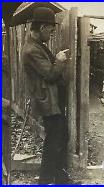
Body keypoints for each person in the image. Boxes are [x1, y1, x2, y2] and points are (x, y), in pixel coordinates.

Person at [22, 7, 71, 184]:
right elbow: (50, 74)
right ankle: (45, 180)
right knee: (53, 142)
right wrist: (59, 60)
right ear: (42, 27)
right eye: (50, 30)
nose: (51, 34)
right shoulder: (31, 50)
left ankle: (60, 179)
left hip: (53, 101)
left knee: (60, 138)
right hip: (48, 103)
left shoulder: (38, 46)